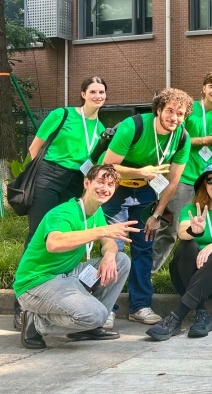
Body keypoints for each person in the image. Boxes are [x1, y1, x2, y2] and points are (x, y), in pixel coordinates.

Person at [14, 76, 108, 331]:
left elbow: (91, 162)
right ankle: (22, 304)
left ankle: (59, 288)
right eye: (93, 91)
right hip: (48, 175)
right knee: (39, 232)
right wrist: (43, 174)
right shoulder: (62, 114)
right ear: (83, 93)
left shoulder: (101, 129)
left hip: (75, 179)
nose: (98, 96)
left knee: (71, 231)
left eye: (101, 92)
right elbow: (35, 148)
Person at [14, 165, 139, 349]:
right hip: (37, 282)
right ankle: (36, 321)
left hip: (67, 274)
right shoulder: (64, 212)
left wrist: (110, 254)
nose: (105, 188)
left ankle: (87, 328)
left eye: (111, 185)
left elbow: (108, 242)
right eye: (101, 182)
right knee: (97, 315)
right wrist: (101, 231)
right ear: (87, 183)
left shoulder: (96, 212)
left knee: (121, 260)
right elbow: (54, 243)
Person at [100, 88, 193, 327]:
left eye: (180, 113)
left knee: (144, 248)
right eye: (170, 110)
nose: (174, 117)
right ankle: (106, 308)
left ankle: (140, 306)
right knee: (115, 247)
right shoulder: (133, 127)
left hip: (146, 193)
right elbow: (106, 165)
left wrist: (158, 214)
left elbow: (172, 182)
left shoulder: (182, 137)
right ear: (159, 110)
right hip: (115, 188)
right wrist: (140, 171)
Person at [146, 162, 212, 341]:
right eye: (211, 180)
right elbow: (183, 233)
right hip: (188, 280)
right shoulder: (191, 209)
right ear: (204, 185)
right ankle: (202, 313)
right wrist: (194, 230)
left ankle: (176, 317)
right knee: (187, 245)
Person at [151, 72, 212, 274]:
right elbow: (174, 138)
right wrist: (203, 141)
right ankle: (150, 272)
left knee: (197, 228)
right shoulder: (188, 111)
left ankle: (189, 270)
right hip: (181, 178)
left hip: (205, 183)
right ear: (203, 89)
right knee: (171, 229)